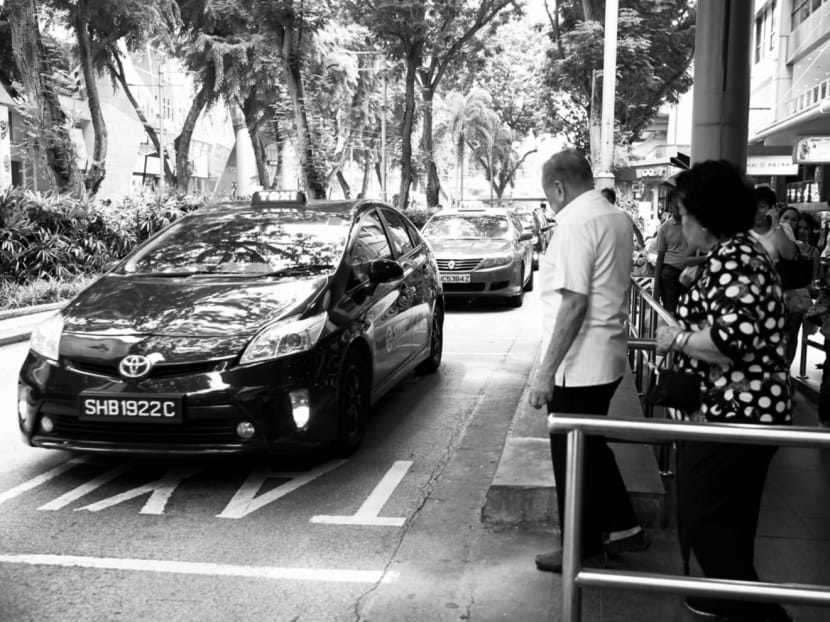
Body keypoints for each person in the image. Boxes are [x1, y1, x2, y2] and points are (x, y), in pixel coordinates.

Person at [655, 160, 793, 622]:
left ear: (704, 217)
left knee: (705, 518)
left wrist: (674, 337)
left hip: (739, 413)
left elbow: (730, 341)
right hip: (736, 410)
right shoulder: (734, 255)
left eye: (682, 214)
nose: (679, 222)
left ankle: (759, 612)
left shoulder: (737, 259)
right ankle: (726, 593)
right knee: (727, 520)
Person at [529, 150, 648, 574]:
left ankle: (579, 548)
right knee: (590, 446)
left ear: (559, 188)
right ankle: (620, 527)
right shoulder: (614, 216)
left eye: (549, 197)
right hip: (606, 353)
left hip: (578, 364)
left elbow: (574, 303)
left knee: (572, 456)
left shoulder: (575, 224)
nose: (551, 205)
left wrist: (545, 371)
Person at [652, 189, 701, 314]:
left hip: (690, 272)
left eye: (682, 205)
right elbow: (660, 258)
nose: (679, 209)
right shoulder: (664, 228)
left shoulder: (693, 225)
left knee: (690, 311)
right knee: (670, 312)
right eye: (676, 205)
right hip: (669, 272)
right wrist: (656, 287)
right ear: (670, 206)